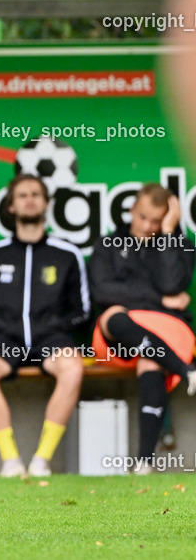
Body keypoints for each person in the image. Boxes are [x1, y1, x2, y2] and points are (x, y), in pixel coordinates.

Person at [0, 174, 90, 478]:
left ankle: (41, 461)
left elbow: (83, 311)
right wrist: (6, 328)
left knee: (73, 368)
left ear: (47, 203)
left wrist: (50, 327)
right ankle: (10, 461)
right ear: (11, 206)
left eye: (36, 194)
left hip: (51, 338)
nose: (30, 199)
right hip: (6, 340)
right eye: (22, 195)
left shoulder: (67, 254)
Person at [89, 183, 196, 473]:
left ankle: (144, 462)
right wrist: (157, 298)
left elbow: (175, 284)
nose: (148, 225)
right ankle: (188, 372)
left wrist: (170, 233)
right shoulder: (108, 244)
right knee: (114, 315)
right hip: (119, 338)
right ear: (132, 209)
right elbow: (102, 292)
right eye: (143, 217)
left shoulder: (177, 242)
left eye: (156, 220)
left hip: (162, 336)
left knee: (151, 359)